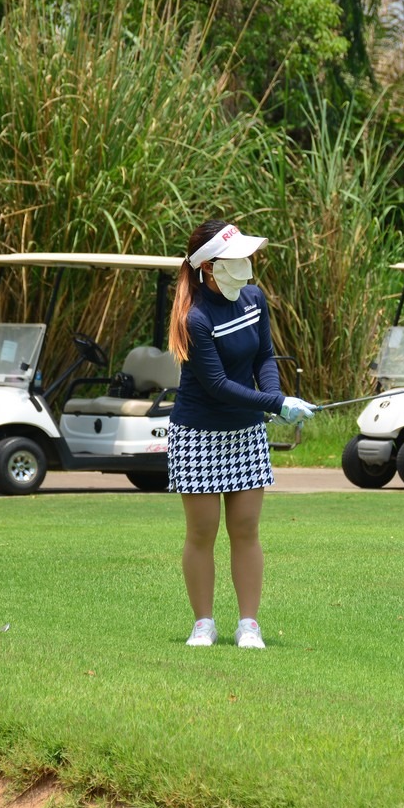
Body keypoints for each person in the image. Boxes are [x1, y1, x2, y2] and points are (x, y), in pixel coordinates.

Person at [166, 219, 317, 648]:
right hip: (197, 434)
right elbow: (216, 384)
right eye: (234, 260)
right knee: (202, 532)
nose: (246, 265)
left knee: (246, 528)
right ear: (208, 267)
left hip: (245, 432)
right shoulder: (195, 317)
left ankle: (248, 624)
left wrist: (274, 397)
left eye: (246, 257)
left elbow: (264, 357)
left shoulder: (253, 298)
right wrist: (275, 404)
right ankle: (204, 624)